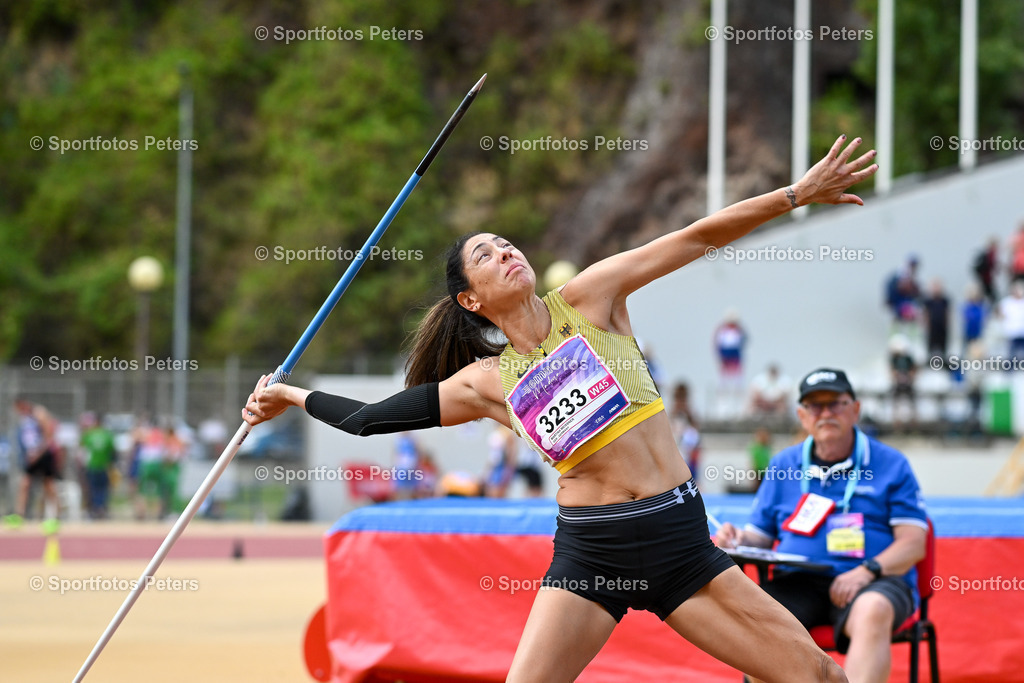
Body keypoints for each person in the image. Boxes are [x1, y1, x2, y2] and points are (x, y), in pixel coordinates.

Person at [244, 134, 877, 683]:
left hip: (678, 542)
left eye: (505, 243)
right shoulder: (484, 382)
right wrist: (287, 394)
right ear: (470, 299)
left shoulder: (590, 298)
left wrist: (794, 195)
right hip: (591, 552)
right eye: (486, 255)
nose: (506, 252)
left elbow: (696, 237)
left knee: (818, 673)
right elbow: (370, 418)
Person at [715, 369, 928, 683]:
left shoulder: (891, 464)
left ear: (855, 409)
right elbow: (758, 538)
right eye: (815, 406)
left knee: (873, 610)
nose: (826, 413)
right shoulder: (783, 465)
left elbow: (913, 543)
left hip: (873, 580)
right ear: (802, 415)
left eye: (835, 404)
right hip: (798, 581)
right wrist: (736, 539)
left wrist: (868, 569)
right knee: (758, 618)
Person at [7, 397, 61, 527]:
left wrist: (38, 453)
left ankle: (57, 514)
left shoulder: (39, 413)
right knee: (24, 484)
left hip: (43, 455)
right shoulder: (24, 418)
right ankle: (20, 515)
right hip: (30, 456)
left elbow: (48, 436)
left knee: (48, 485)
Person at [79, 412, 116, 519]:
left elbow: (82, 450)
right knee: (103, 489)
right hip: (104, 466)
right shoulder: (107, 435)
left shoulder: (88, 435)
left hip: (92, 466)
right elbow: (112, 452)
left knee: (93, 488)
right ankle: (101, 508)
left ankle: (94, 509)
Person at [921, 278, 950, 361]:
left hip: (942, 326)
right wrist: (926, 323)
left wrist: (947, 323)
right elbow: (926, 313)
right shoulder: (928, 301)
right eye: (934, 287)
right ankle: (929, 359)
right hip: (932, 326)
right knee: (931, 343)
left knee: (942, 343)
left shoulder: (944, 300)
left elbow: (947, 313)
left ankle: (943, 359)